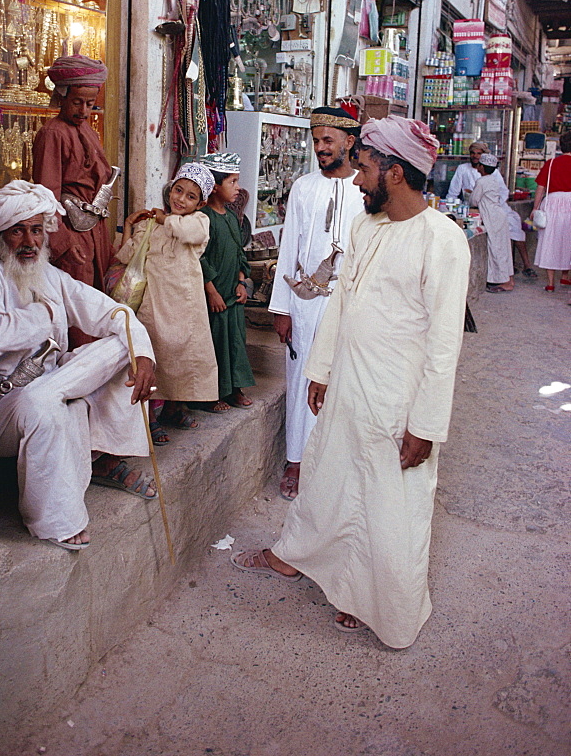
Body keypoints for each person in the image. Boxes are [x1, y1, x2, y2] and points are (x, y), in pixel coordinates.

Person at [231, 116, 470, 650]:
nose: (357, 180)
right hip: (349, 385)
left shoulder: (443, 241)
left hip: (398, 399)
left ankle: (384, 606)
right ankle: (294, 556)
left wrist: (426, 425)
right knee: (328, 475)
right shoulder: (366, 226)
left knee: (390, 505)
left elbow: (443, 348)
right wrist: (319, 369)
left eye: (364, 168)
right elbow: (341, 301)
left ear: (396, 172)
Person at [0, 181, 158, 551]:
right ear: (0, 235)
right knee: (42, 404)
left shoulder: (49, 276)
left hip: (44, 390)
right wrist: (45, 314)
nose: (30, 241)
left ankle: (56, 389)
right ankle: (54, 522)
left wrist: (143, 354)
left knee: (121, 343)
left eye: (36, 229)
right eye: (18, 230)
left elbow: (112, 313)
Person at [269, 107, 364, 501]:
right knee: (302, 379)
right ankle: (296, 462)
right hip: (306, 300)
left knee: (344, 381)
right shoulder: (304, 187)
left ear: (349, 142)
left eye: (328, 141)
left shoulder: (366, 188)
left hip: (350, 300)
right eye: (316, 141)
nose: (321, 148)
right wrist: (281, 308)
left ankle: (334, 466)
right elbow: (289, 246)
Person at [114, 162, 219, 442]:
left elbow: (187, 233)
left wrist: (162, 219)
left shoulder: (199, 222)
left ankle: (174, 408)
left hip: (186, 305)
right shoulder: (152, 223)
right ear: (170, 188)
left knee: (183, 359)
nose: (180, 199)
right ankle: (149, 419)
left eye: (190, 196)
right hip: (153, 304)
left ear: (201, 203)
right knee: (154, 357)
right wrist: (129, 226)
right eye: (178, 190)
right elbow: (127, 257)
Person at [32, 53, 117, 346]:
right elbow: (47, 195)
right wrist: (63, 244)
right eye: (77, 102)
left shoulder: (90, 133)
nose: (84, 110)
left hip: (95, 231)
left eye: (90, 103)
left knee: (99, 301)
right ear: (62, 96)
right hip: (71, 231)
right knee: (76, 304)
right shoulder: (52, 134)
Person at [198, 153, 255, 412]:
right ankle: (211, 394)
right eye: (232, 182)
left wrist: (242, 282)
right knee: (215, 342)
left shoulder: (232, 217)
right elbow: (199, 258)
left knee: (235, 342)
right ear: (215, 186)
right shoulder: (204, 218)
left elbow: (239, 253)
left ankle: (234, 389)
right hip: (215, 296)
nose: (238, 188)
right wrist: (211, 291)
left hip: (232, 293)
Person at [448, 140, 534, 277]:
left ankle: (526, 265)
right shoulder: (463, 169)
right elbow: (453, 192)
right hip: (472, 209)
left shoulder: (491, 171)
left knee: (514, 226)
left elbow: (503, 192)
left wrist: (492, 203)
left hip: (495, 208)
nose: (475, 156)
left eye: (478, 154)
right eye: (473, 153)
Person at [532, 130, 571, 292]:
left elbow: (540, 188)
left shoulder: (551, 163)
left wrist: (535, 208)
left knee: (550, 240)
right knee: (567, 240)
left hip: (552, 203)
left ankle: (550, 282)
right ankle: (565, 277)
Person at [471, 153, 514, 292]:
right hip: (498, 215)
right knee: (503, 248)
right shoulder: (494, 180)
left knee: (497, 249)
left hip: (492, 217)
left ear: (482, 167)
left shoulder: (482, 181)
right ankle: (508, 279)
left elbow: (474, 200)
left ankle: (505, 283)